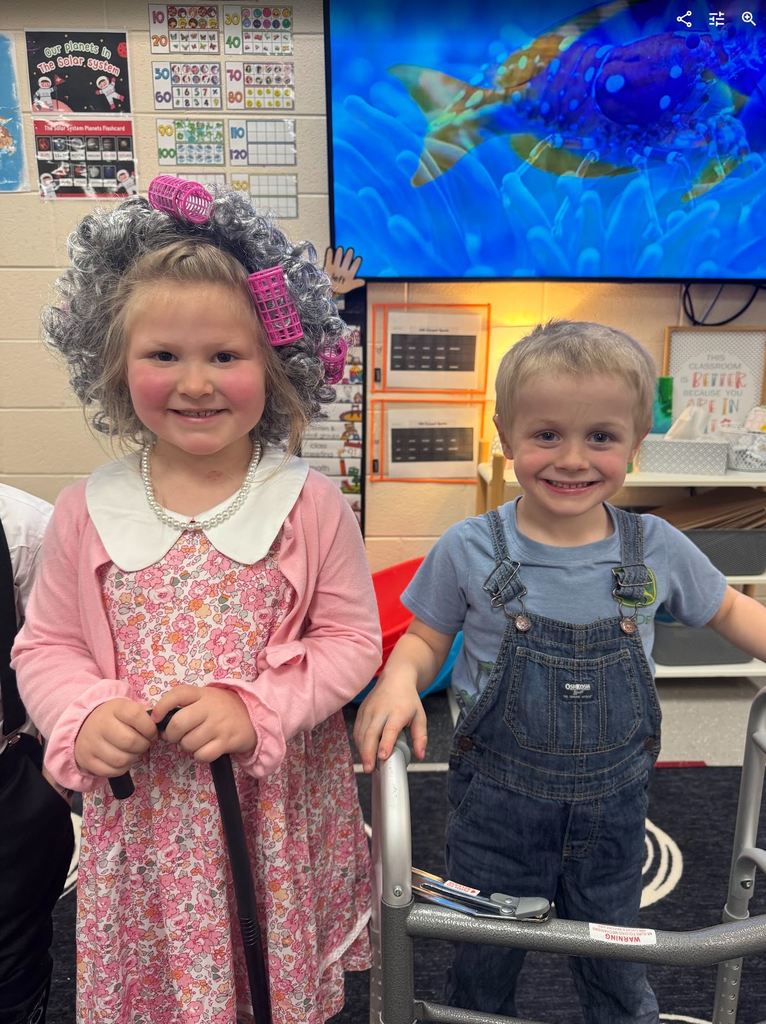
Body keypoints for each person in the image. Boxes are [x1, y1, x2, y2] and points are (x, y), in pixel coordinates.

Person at [12, 176, 382, 1024]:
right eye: (163, 356)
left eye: (225, 356)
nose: (195, 383)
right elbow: (46, 648)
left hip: (271, 811)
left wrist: (263, 708)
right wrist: (80, 716)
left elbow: (352, 640)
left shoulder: (308, 502)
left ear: (274, 364)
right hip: (145, 824)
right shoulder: (86, 508)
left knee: (269, 987)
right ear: (115, 365)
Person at [354, 318, 766, 1024]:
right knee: (481, 962)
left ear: (635, 446)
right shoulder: (469, 547)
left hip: (614, 816)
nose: (572, 459)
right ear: (506, 436)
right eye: (546, 435)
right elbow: (425, 636)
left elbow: (730, 609)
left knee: (617, 959)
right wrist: (398, 679)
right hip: (495, 811)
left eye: (601, 437)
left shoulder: (656, 547)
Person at [0, 484, 74, 1024]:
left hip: (9, 785)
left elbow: (59, 651)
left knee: (12, 964)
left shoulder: (22, 527)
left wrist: (53, 770)